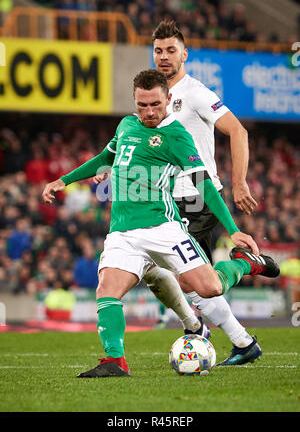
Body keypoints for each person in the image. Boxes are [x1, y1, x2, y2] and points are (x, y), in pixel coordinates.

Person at [42, 69, 279, 378]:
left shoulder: (177, 136)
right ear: (135, 101)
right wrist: (64, 180)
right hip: (122, 233)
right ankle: (116, 361)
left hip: (163, 229)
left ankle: (247, 264)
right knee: (108, 290)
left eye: (155, 104)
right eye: (143, 105)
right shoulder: (127, 125)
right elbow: (105, 158)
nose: (149, 112)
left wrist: (233, 230)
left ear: (168, 99)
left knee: (208, 288)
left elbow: (204, 185)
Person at [141, 19, 263, 366]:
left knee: (189, 276)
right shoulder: (156, 96)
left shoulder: (195, 92)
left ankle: (217, 327)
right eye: (158, 51)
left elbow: (238, 132)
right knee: (155, 270)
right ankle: (225, 335)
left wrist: (239, 182)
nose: (163, 57)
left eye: (170, 51)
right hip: (164, 197)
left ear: (184, 54)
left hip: (196, 194)